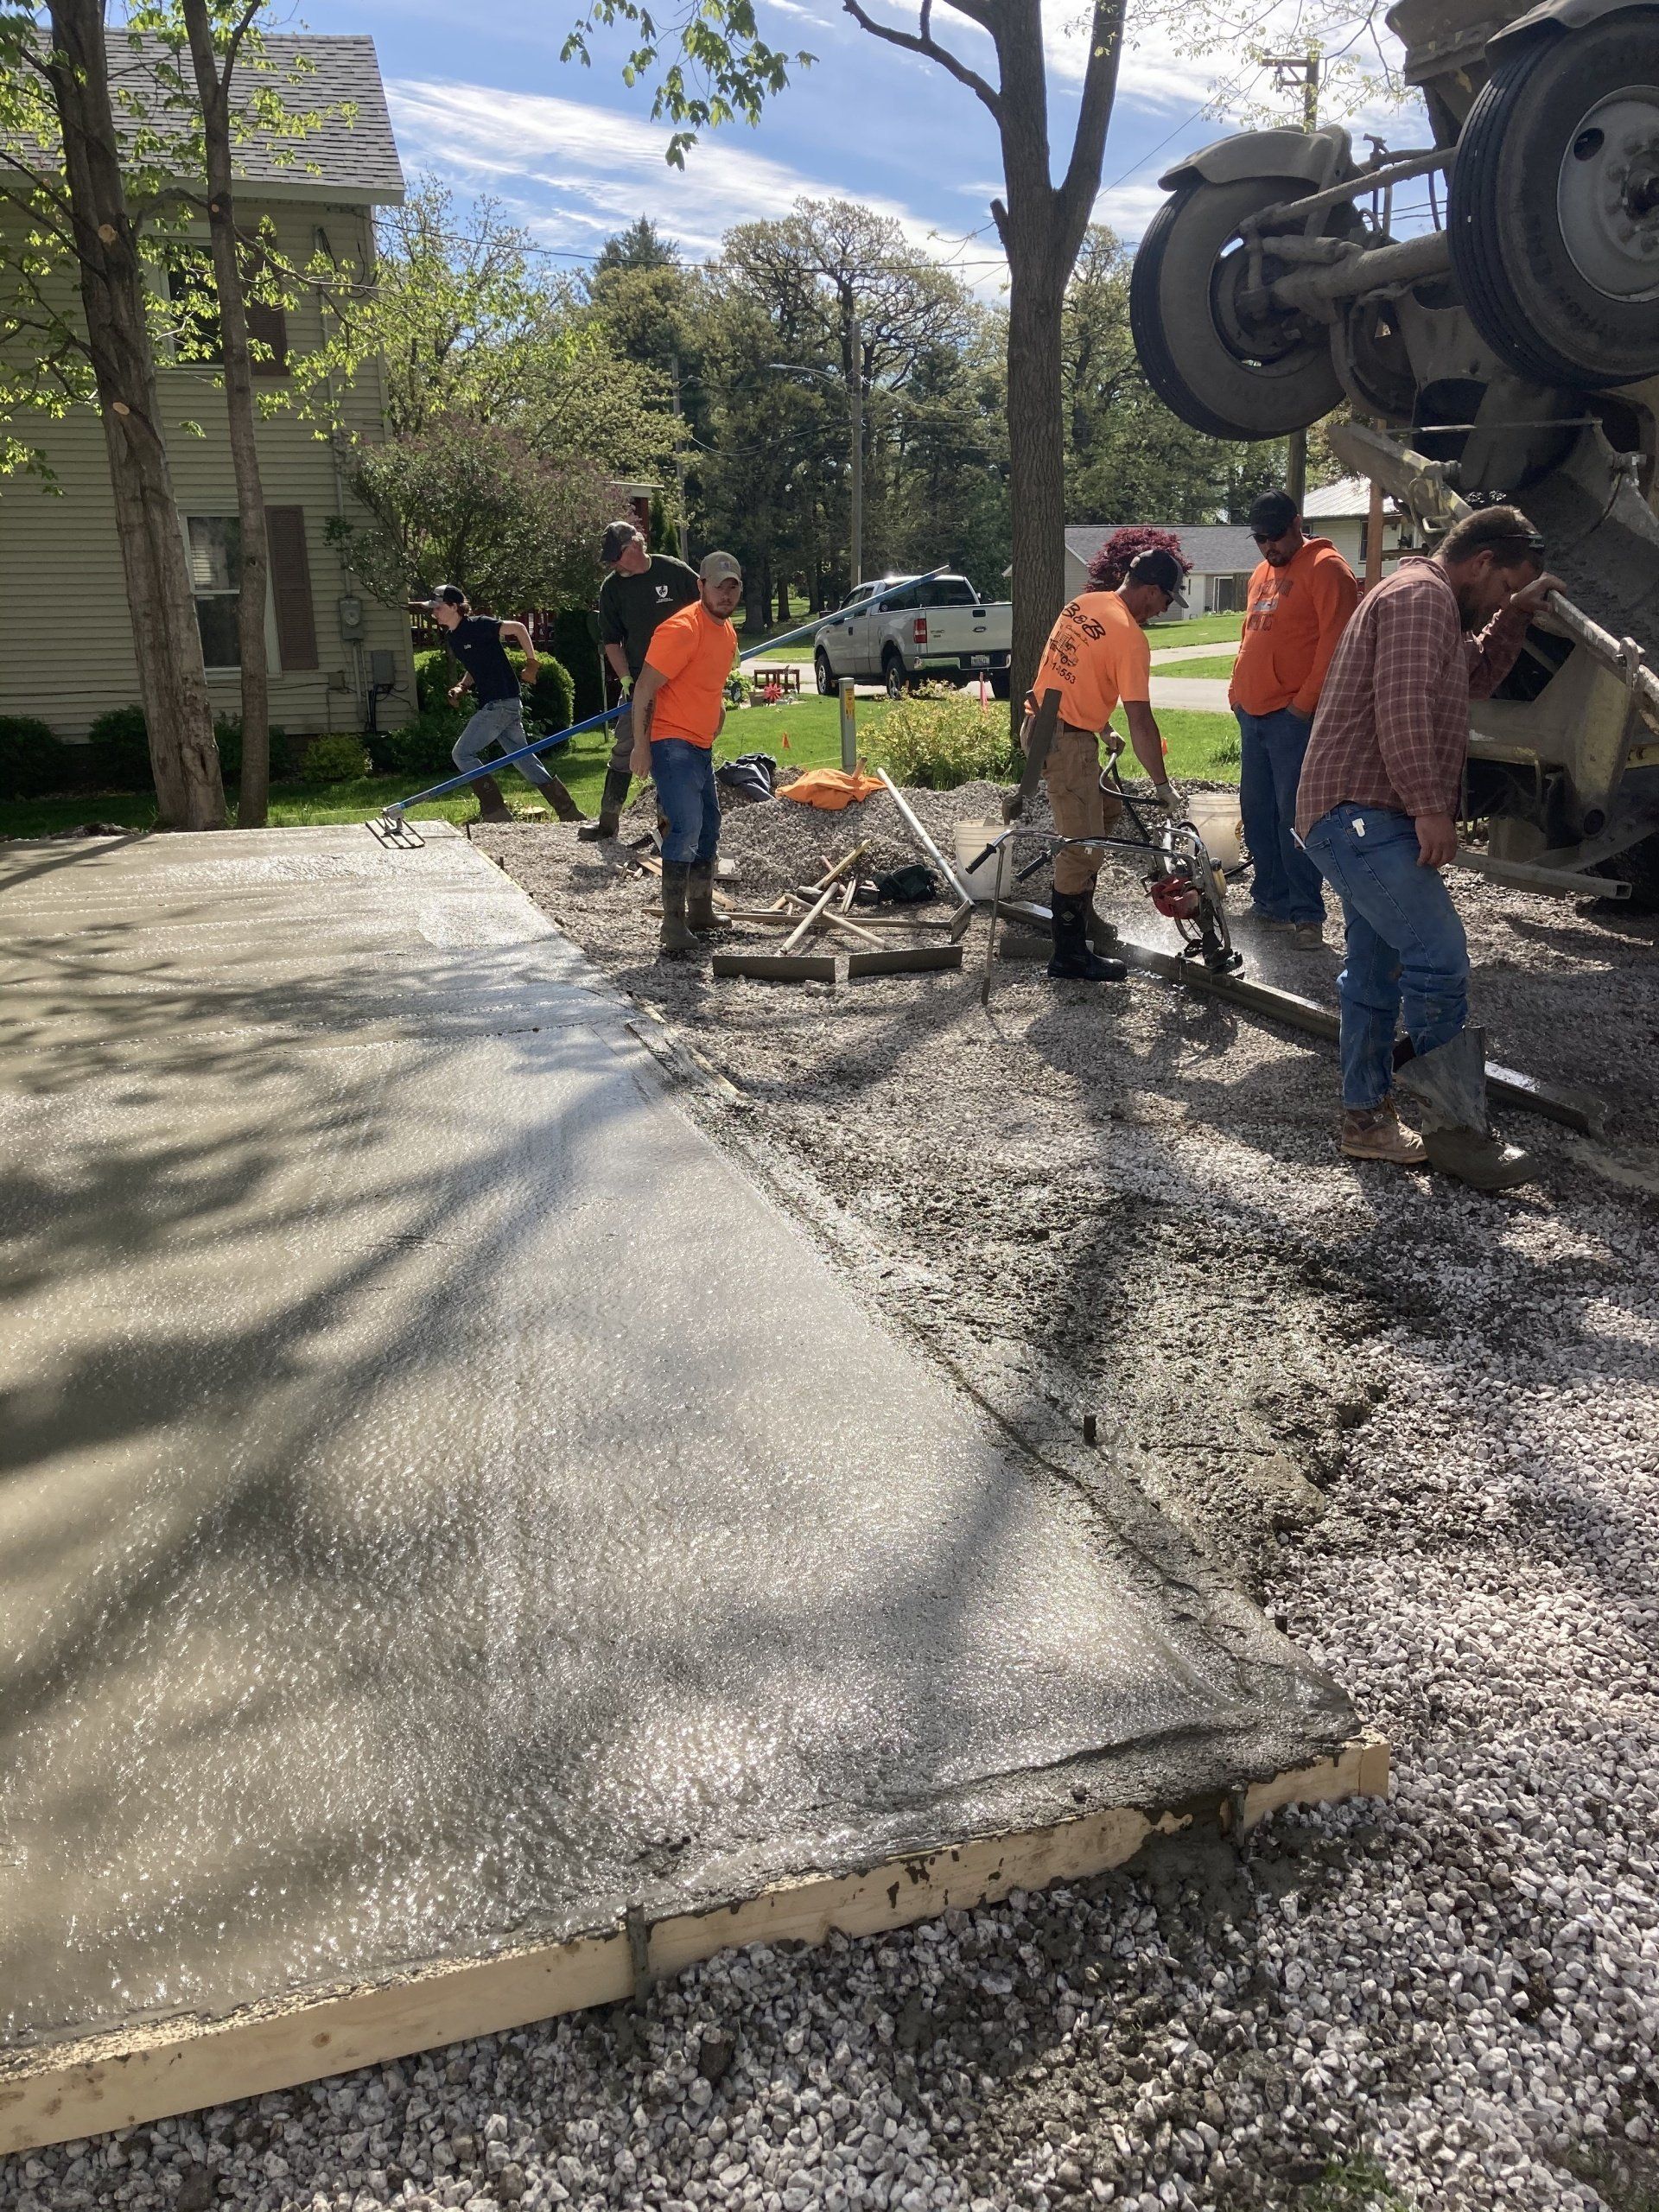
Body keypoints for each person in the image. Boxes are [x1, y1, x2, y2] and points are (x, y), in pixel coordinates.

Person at [1295, 505, 1562, 1185]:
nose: (1500, 600)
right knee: (1439, 959)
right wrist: (1428, 807)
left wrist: (1518, 615)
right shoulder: (1419, 598)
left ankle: (1366, 1120)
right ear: (1480, 564)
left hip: (1358, 813)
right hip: (1363, 813)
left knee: (1375, 971)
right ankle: (1455, 1128)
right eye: (1503, 588)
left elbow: (1468, 679)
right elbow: (1404, 705)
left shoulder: (1436, 606)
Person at [1027, 546, 1187, 982]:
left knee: (1107, 811)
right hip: (1065, 743)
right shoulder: (1131, 638)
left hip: (1044, 725)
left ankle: (1084, 916)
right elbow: (1143, 719)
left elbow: (1067, 677)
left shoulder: (1085, 605)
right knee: (1081, 847)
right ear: (1151, 590)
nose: (1164, 608)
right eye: (1167, 598)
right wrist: (1161, 785)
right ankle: (1070, 955)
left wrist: (1101, 728)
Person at [1230, 488, 1359, 950]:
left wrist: (1304, 703)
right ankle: (1270, 901)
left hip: (1294, 718)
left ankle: (1307, 913)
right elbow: (1249, 634)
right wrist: (1236, 688)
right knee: (1257, 812)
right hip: (1255, 714)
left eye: (1276, 536)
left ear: (1297, 524)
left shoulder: (1327, 568)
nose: (1269, 546)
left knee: (1297, 816)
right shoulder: (1262, 573)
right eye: (1260, 538)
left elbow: (1337, 643)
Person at [629, 550, 742, 955]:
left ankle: (700, 911)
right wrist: (641, 748)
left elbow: (706, 681)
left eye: (733, 588)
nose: (726, 595)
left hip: (700, 745)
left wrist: (718, 709)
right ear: (701, 586)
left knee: (709, 826)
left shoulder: (726, 631)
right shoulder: (681, 629)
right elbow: (644, 688)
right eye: (718, 587)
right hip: (669, 741)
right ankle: (672, 927)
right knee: (687, 826)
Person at [417, 587, 586, 826]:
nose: (434, 613)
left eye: (438, 607)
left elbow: (518, 628)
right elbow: (476, 666)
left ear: (454, 607)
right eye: (432, 609)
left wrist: (532, 662)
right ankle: (568, 812)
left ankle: (496, 812)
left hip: (500, 704)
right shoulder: (454, 637)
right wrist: (462, 687)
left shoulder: (479, 625)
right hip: (505, 703)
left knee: (462, 753)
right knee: (524, 760)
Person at [586, 521, 702, 842]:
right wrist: (626, 679)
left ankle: (670, 828)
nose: (613, 564)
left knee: (673, 752)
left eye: (617, 555)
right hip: (639, 684)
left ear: (636, 545)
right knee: (625, 747)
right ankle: (608, 823)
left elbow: (707, 613)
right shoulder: (612, 589)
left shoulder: (674, 572)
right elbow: (611, 641)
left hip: (681, 683)